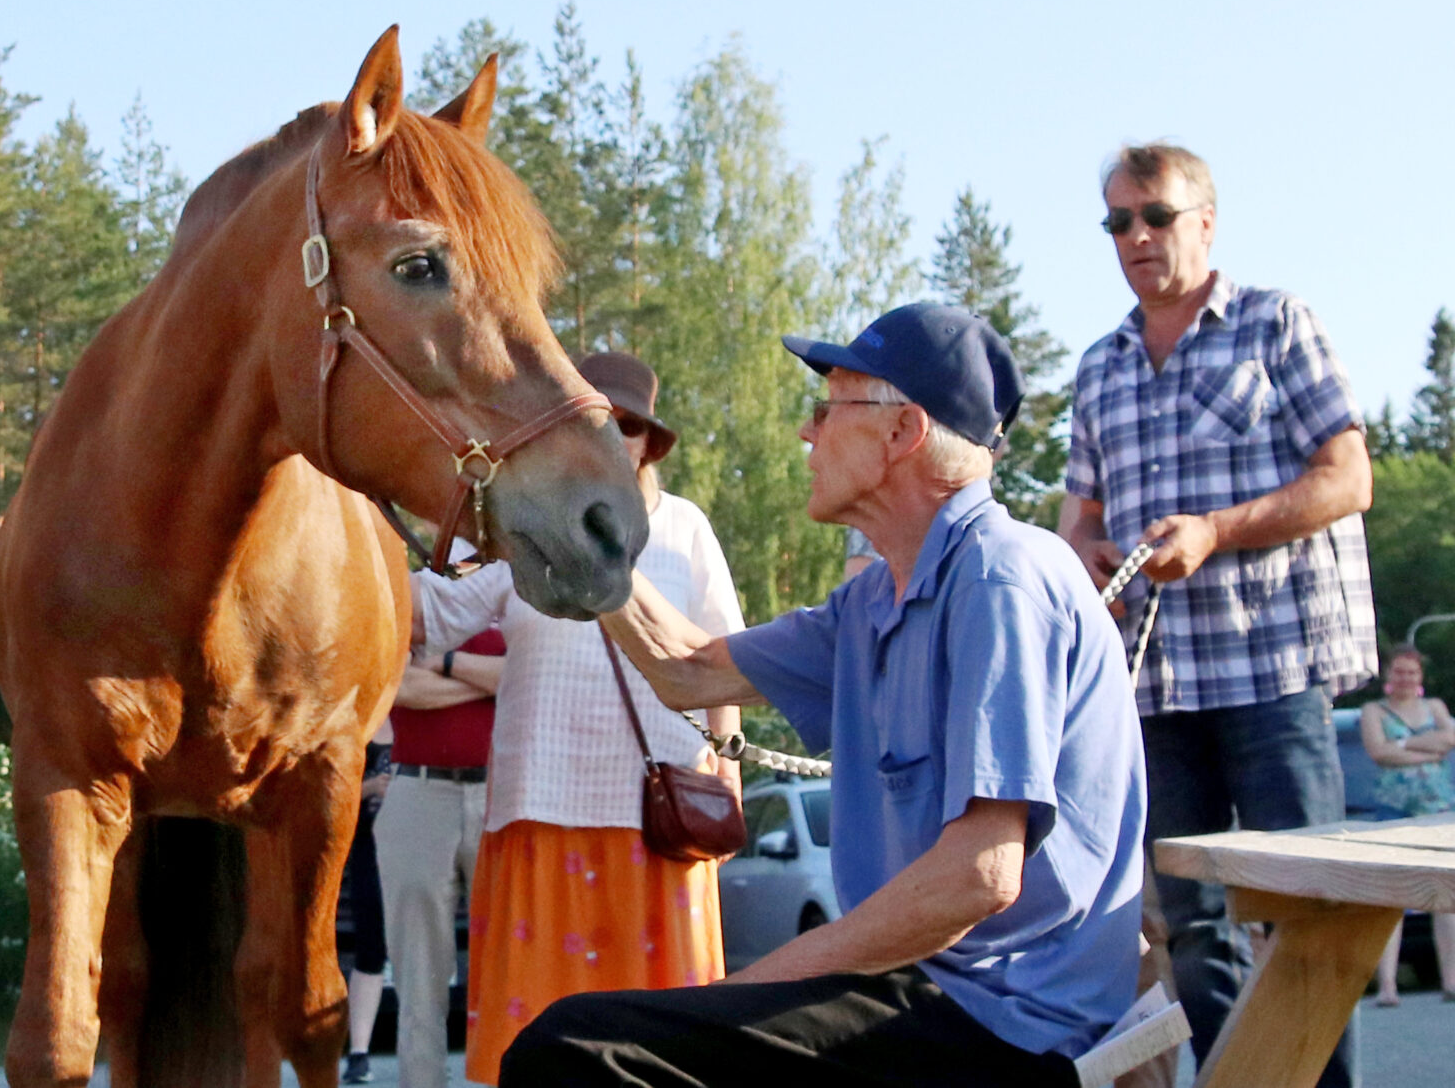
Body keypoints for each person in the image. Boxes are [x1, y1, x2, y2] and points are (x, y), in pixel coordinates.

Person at [502, 303, 1147, 1087]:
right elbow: (689, 670)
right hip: (924, 991)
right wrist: (582, 538)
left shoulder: (1001, 576)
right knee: (589, 1040)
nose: (807, 433)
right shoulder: (876, 599)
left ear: (902, 432)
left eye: (827, 406)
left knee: (574, 1052)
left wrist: (741, 994)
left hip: (1008, 1023)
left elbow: (979, 874)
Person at [1061, 142, 1377, 1085]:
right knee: (1193, 930)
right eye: (1117, 221)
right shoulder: (1098, 366)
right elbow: (1078, 518)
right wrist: (1082, 550)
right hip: (1153, 689)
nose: (1136, 237)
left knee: (1310, 919)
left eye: (1154, 215)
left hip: (1274, 675)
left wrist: (1216, 531)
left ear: (1206, 220)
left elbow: (1348, 477)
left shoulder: (1278, 326)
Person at [412, 351, 746, 1085]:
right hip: (541, 808)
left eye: (630, 426)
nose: (614, 436)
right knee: (537, 1034)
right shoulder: (520, 522)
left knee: (668, 1035)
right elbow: (430, 609)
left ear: (648, 444)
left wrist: (729, 764)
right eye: (599, 420)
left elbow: (726, 651)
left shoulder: (686, 528)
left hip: (660, 820)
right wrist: (347, 541)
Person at [367, 625, 505, 1088]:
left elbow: (526, 677)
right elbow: (402, 686)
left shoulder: (517, 594)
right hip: (417, 795)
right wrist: (488, 681)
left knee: (511, 968)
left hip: (502, 795)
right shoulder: (416, 599)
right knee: (417, 977)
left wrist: (443, 663)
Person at [1360, 645, 1455, 1005]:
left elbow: (1449, 738)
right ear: (1388, 674)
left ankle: (1451, 979)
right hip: (1393, 812)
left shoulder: (1435, 708)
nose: (1406, 679)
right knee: (1392, 899)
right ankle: (1388, 986)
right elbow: (1379, 752)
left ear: (1420, 677)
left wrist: (1401, 744)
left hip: (1437, 808)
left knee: (1444, 897)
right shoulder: (1373, 710)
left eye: (1412, 673)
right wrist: (1424, 749)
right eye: (1400, 672)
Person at [340, 717, 394, 1084]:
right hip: (367, 846)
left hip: (414, 841)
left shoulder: (419, 707)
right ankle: (358, 1052)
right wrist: (371, 787)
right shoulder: (360, 721)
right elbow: (331, 789)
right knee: (370, 946)